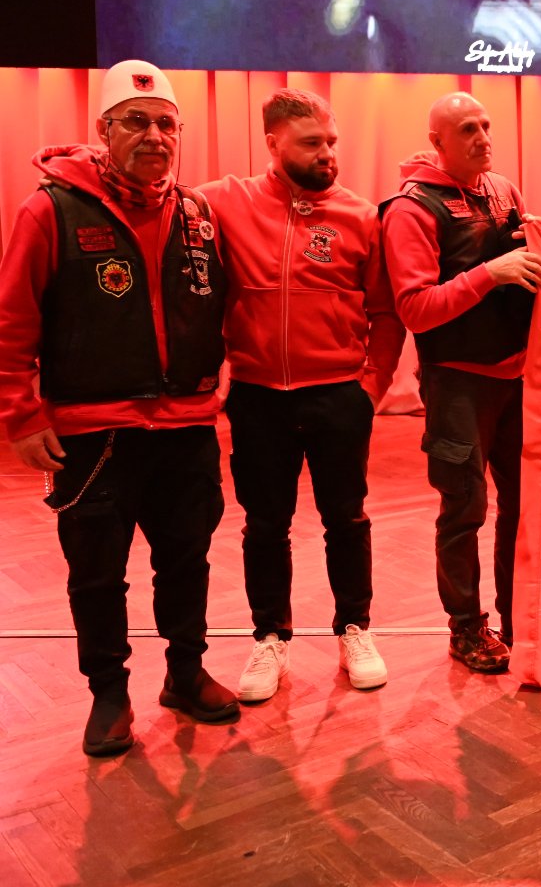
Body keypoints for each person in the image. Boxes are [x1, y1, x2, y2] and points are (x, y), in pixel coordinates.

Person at [0, 60, 238, 755]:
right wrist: (21, 416)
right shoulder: (50, 210)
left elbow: (225, 307)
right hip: (92, 433)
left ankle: (185, 673)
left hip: (186, 427)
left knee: (187, 561)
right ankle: (108, 692)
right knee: (98, 574)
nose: (154, 135)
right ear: (103, 131)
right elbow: (12, 322)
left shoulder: (198, 215)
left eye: (166, 123)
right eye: (136, 121)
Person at [201, 89, 404, 701]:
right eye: (312, 143)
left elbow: (386, 313)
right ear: (273, 143)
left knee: (347, 518)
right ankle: (270, 638)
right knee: (265, 524)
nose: (327, 154)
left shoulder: (360, 216)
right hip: (258, 396)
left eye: (331, 142)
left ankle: (355, 629)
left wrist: (371, 388)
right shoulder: (223, 201)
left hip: (338, 396)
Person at [381, 92, 541, 674]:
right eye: (467, 130)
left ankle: (516, 617)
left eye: (485, 125)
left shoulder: (503, 189)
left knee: (523, 506)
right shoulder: (410, 208)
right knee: (465, 509)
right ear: (438, 142)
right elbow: (414, 308)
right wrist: (489, 273)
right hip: (456, 384)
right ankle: (465, 628)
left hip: (517, 376)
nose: (483, 137)